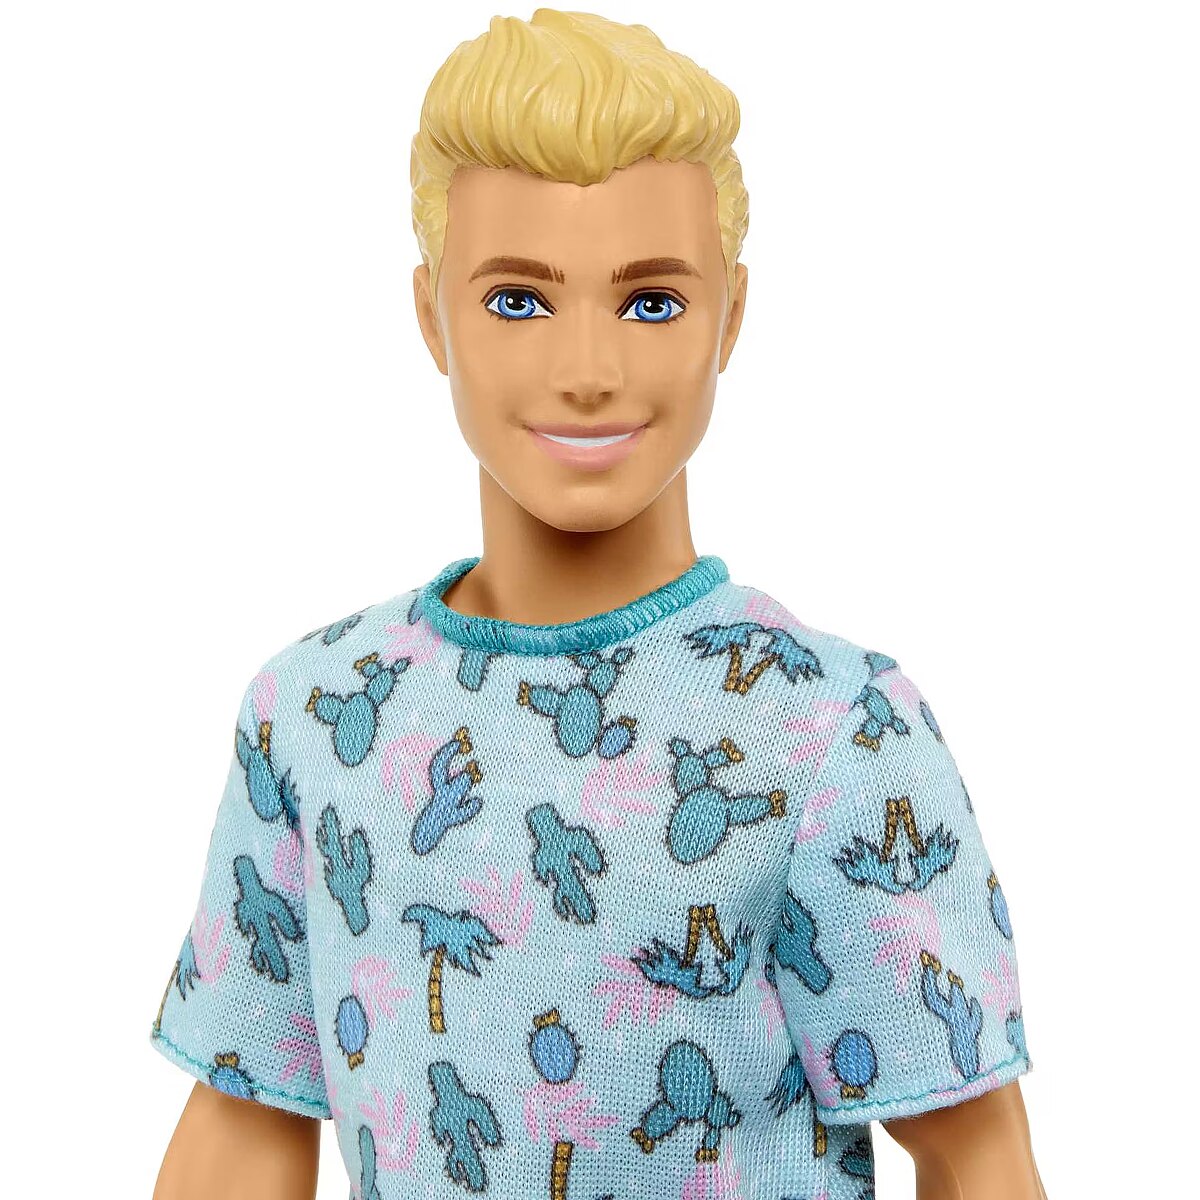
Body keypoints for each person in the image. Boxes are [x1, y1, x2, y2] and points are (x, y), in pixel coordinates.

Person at [150, 10, 1045, 1198]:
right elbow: (241, 1129)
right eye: (518, 301)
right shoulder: (315, 715)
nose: (587, 370)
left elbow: (977, 1156)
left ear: (732, 315)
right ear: (430, 317)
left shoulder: (832, 731)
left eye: (651, 302)